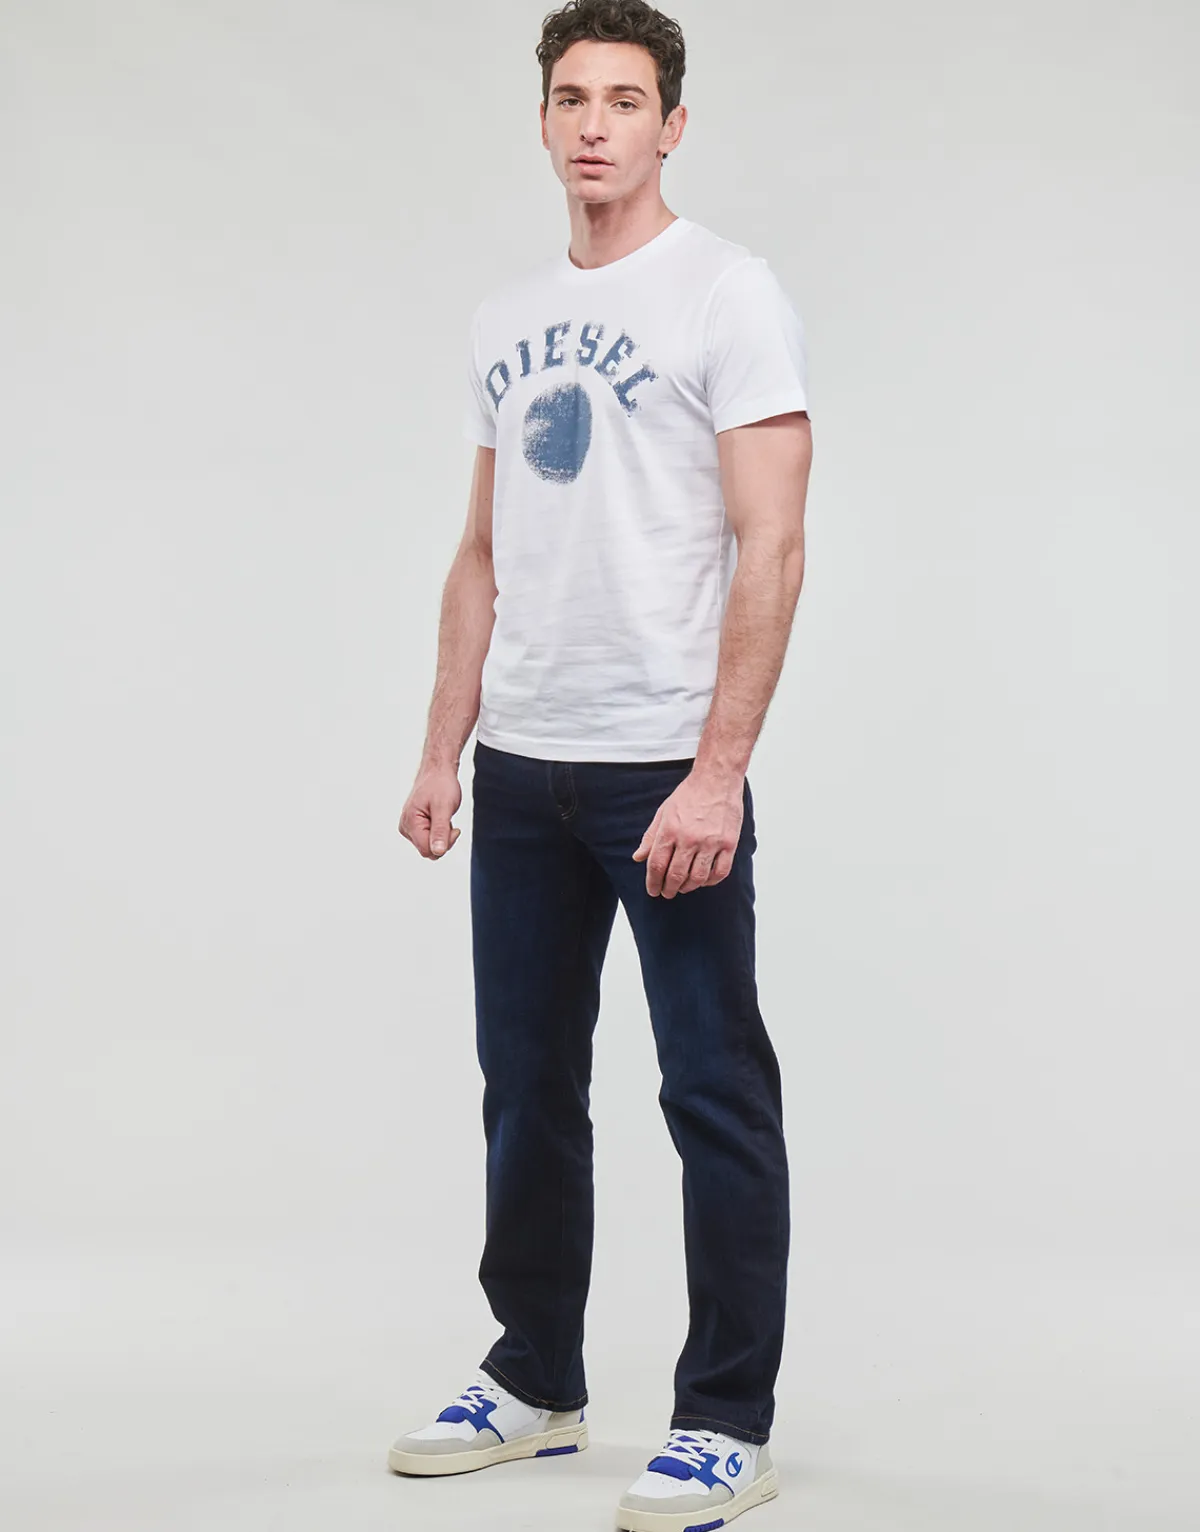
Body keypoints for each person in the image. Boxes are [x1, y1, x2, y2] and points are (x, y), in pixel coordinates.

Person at [389, 2, 812, 1527]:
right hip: (524, 769)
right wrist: (442, 750)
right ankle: (535, 1380)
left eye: (625, 101)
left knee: (711, 1090)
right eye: (572, 98)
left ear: (671, 127)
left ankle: (727, 1418)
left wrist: (718, 772)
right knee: (525, 1088)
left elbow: (774, 545)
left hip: (659, 773)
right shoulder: (506, 317)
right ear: (544, 120)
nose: (594, 124)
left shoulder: (728, 293)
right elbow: (481, 551)